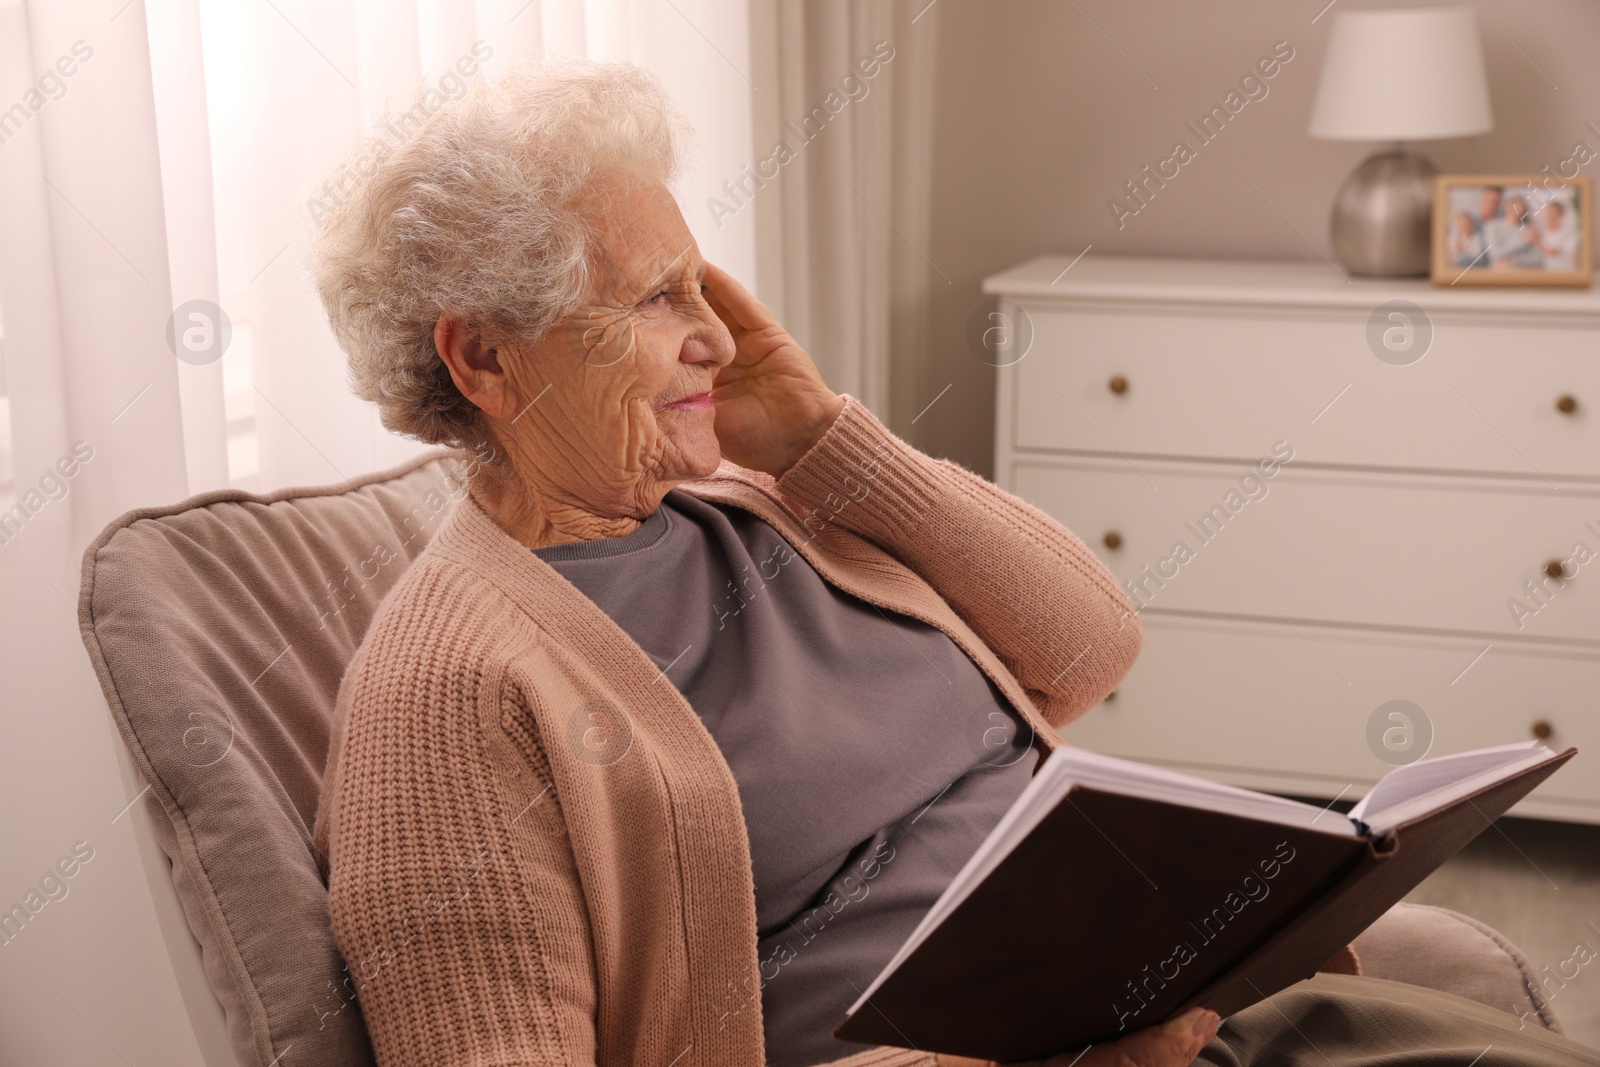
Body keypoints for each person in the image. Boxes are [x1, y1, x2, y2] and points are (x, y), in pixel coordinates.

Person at [309, 62, 1600, 1067]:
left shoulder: (762, 496)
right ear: (485, 359)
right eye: (655, 300)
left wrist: (822, 434)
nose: (715, 334)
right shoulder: (450, 692)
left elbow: (1090, 648)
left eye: (702, 284)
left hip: (1170, 1008)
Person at [1494, 196, 1546, 269]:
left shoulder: (1528, 229)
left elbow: (1537, 258)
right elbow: (1495, 253)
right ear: (1507, 207)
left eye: (1521, 209)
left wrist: (1514, 261)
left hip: (1522, 273)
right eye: (1516, 207)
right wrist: (1524, 242)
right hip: (1499, 273)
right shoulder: (1493, 227)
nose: (1518, 211)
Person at [1533, 199, 1578, 271]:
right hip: (1545, 273)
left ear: (1560, 215)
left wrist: (1537, 241)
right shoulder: (1541, 232)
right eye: (1548, 211)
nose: (1549, 215)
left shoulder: (1566, 233)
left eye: (1553, 212)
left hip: (1563, 272)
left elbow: (1552, 252)